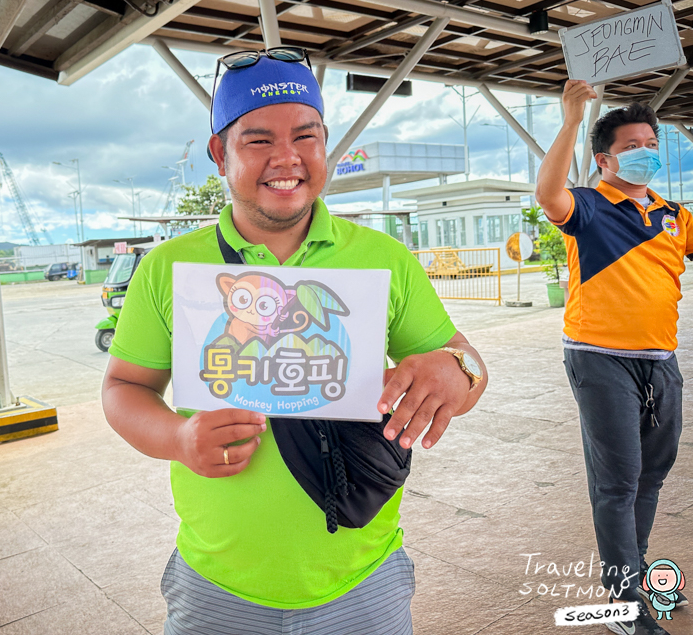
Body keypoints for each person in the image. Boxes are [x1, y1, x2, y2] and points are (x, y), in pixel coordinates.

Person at [101, 48, 488, 633]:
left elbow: (470, 365)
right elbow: (123, 388)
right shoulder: (167, 268)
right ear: (219, 154)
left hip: (364, 580)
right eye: (258, 141)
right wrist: (179, 437)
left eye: (305, 136)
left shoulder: (383, 259)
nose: (287, 158)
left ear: (324, 143)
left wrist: (454, 368)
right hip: (215, 586)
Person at [536, 81, 691, 635]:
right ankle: (623, 602)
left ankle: (636, 563)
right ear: (604, 160)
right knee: (619, 480)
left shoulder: (674, 215)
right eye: (632, 145)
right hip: (600, 358)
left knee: (652, 474)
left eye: (652, 142)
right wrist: (572, 120)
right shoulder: (589, 205)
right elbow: (547, 195)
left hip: (661, 360)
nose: (646, 151)